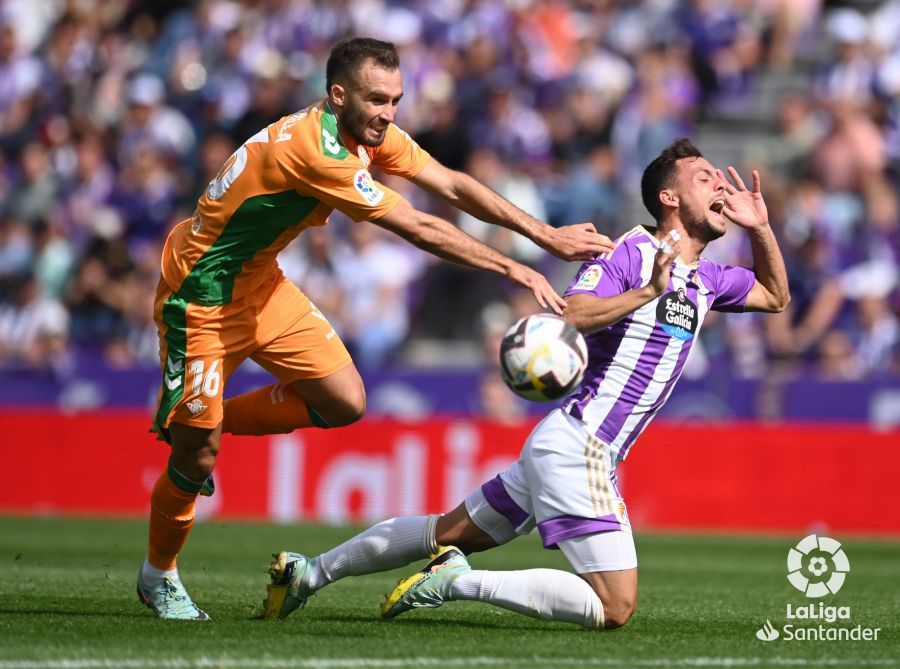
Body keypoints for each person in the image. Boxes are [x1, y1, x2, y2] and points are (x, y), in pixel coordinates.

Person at [137, 37, 612, 620]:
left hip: (260, 284)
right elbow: (416, 225)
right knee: (196, 455)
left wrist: (545, 234)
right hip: (202, 296)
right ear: (339, 96)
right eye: (377, 100)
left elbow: (451, 184)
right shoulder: (315, 151)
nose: (389, 113)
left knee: (343, 401)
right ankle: (158, 573)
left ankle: (198, 426)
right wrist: (514, 264)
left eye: (397, 100)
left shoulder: (363, 132)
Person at [261, 139, 790, 629]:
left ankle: (310, 572)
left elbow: (775, 295)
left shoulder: (707, 278)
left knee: (442, 532)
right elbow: (571, 314)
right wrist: (645, 293)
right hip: (581, 444)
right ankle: (458, 581)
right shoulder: (633, 253)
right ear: (668, 197)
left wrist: (761, 228)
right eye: (704, 177)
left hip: (566, 446)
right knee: (615, 604)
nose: (720, 185)